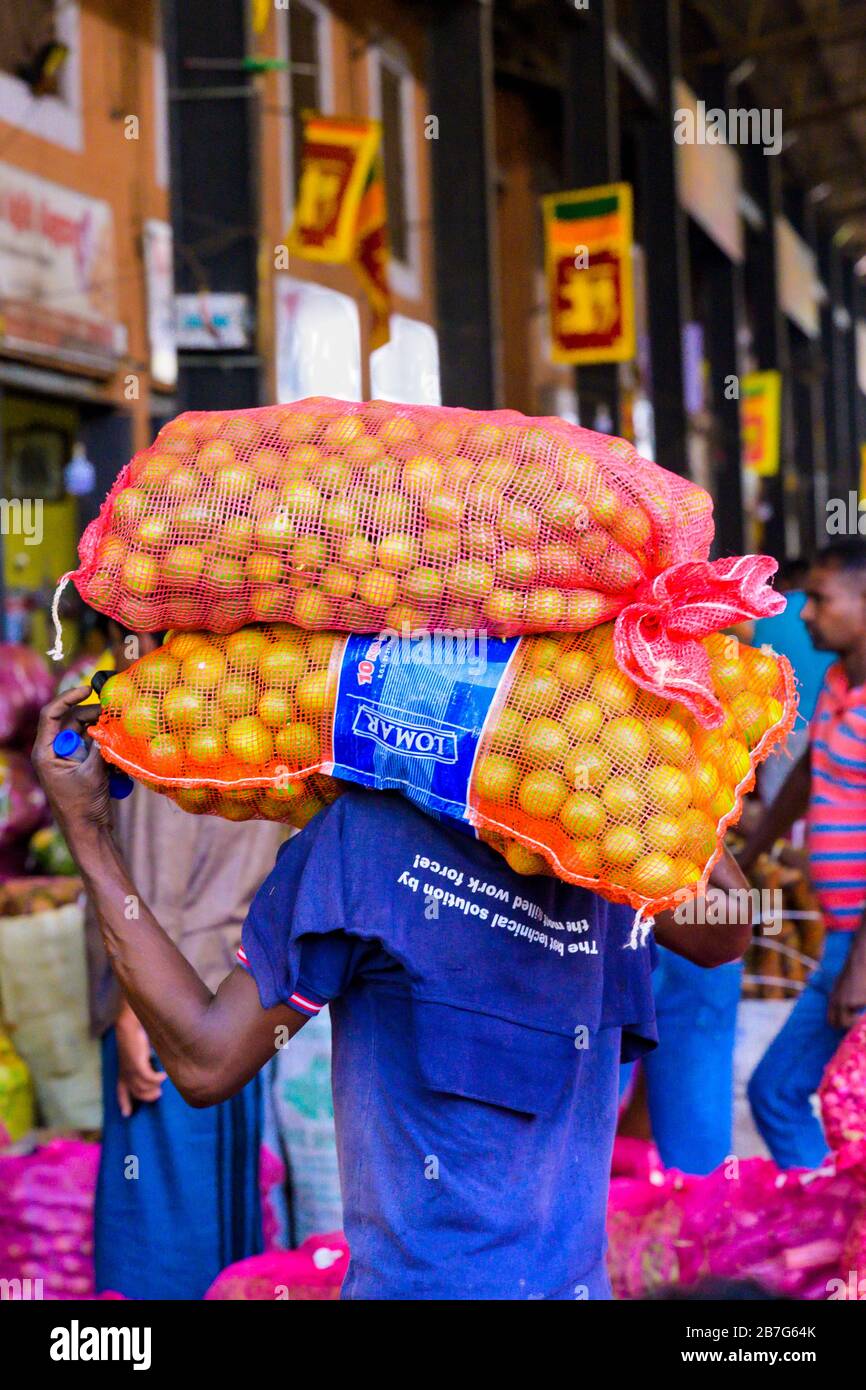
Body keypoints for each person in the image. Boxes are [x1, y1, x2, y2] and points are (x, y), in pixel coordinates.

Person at [34, 685, 751, 1301]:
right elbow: (728, 929)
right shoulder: (605, 843)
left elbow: (204, 1059)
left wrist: (89, 834)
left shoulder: (379, 836)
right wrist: (640, 763)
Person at [84, 625, 286, 1300]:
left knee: (172, 1209)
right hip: (211, 990)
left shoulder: (173, 700)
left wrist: (135, 1006)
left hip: (178, 997)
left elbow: (156, 882)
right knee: (197, 1202)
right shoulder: (259, 691)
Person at [742, 542, 866, 1169]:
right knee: (797, 1095)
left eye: (820, 598)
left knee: (782, 1093)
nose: (805, 613)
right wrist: (749, 852)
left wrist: (859, 966)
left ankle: (840, 1239)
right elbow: (808, 772)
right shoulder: (842, 681)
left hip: (858, 948)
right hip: (844, 940)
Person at [751, 558, 833, 805]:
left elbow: (757, 672)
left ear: (783, 583)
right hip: (826, 720)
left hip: (783, 728)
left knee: (780, 802)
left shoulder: (769, 615)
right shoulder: (828, 613)